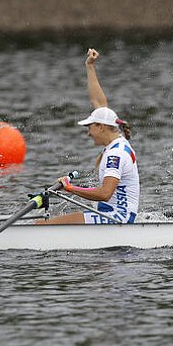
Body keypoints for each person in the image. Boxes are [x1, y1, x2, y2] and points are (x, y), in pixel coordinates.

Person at [40, 48, 140, 224]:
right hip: (112, 214)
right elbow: (98, 102)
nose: (88, 133)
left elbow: (104, 194)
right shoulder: (116, 141)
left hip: (117, 218)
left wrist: (70, 188)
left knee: (44, 225)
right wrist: (90, 67)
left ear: (101, 127)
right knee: (46, 224)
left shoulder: (115, 155)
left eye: (89, 128)